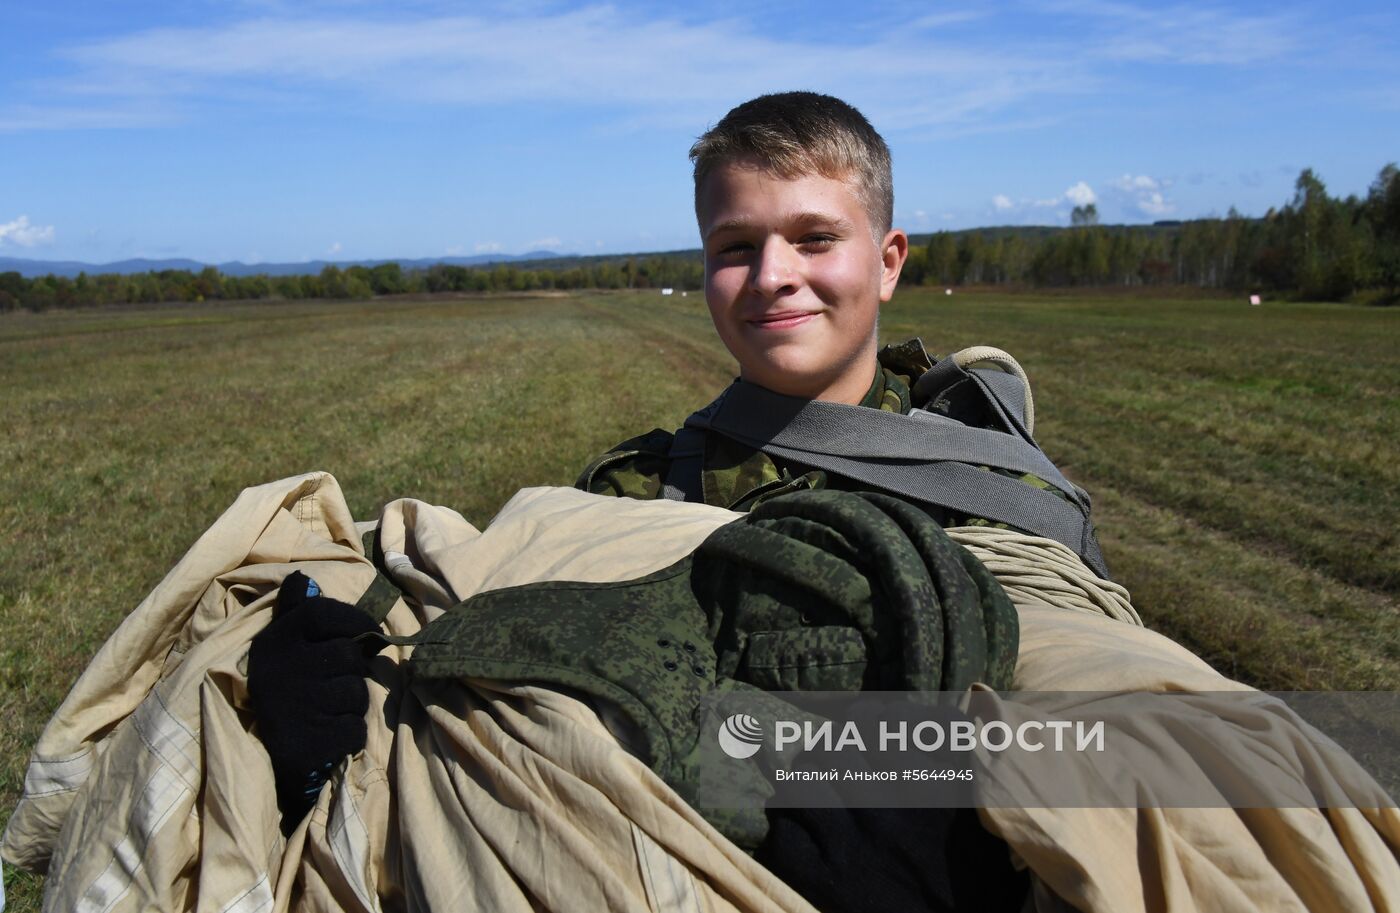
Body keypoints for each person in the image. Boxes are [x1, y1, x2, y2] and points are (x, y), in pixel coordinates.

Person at [575, 90, 1081, 546]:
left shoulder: (994, 487)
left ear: (887, 266)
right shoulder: (632, 497)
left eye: (815, 238)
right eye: (736, 247)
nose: (770, 276)